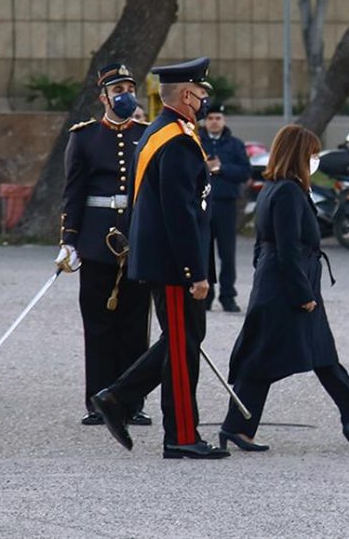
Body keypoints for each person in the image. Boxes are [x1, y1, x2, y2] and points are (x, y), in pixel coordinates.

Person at [91, 57, 229, 459]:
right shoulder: (177, 140)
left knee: (183, 341)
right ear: (187, 95)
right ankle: (181, 435)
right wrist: (195, 272)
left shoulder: (164, 131)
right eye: (201, 94)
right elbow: (179, 213)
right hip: (174, 264)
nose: (204, 100)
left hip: (165, 259)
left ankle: (118, 397)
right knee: (183, 348)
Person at [219, 125, 349, 450]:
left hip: (283, 282)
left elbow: (261, 246)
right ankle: (236, 427)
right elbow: (285, 247)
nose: (315, 160)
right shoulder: (287, 191)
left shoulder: (277, 187)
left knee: (321, 352)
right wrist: (302, 294)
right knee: (263, 357)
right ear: (299, 155)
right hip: (288, 287)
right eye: (311, 153)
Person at [58, 63, 152, 426]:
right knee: (98, 326)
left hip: (137, 238)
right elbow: (73, 194)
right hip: (97, 242)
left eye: (130, 89)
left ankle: (131, 401)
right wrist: (69, 240)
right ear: (104, 97)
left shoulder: (146, 134)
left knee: (134, 325)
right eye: (118, 91)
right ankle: (98, 400)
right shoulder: (83, 137)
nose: (125, 96)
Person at [199, 104, 250, 312]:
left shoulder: (235, 144)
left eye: (218, 118)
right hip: (202, 205)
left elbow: (245, 171)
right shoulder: (197, 142)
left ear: (224, 120)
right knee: (204, 252)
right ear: (205, 121)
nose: (214, 122)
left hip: (227, 204)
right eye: (210, 118)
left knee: (227, 253)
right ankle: (206, 294)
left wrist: (221, 169)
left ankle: (228, 295)